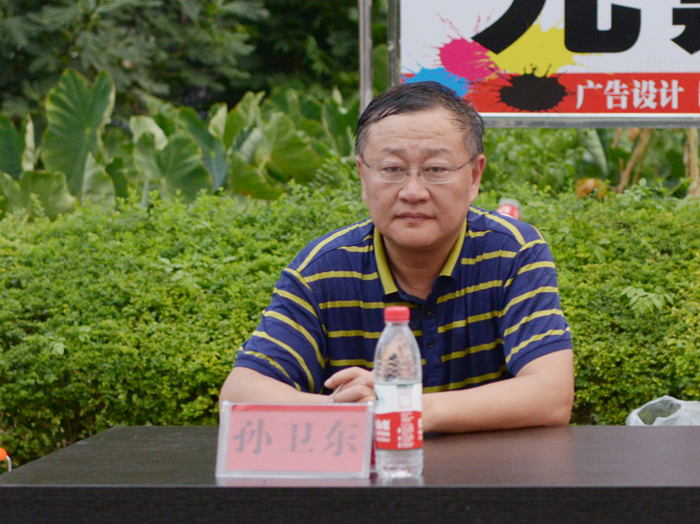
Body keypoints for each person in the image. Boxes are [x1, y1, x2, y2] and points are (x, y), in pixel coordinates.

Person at [220, 81, 574, 433]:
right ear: (363, 176)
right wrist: (347, 410)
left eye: (436, 169)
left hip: (489, 469)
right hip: (370, 470)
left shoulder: (513, 253)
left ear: (474, 176)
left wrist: (403, 406)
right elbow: (238, 396)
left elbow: (551, 394)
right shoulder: (321, 270)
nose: (413, 191)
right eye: (392, 169)